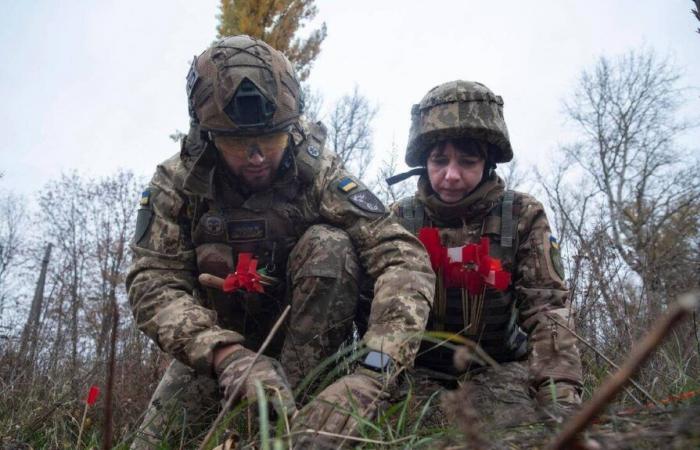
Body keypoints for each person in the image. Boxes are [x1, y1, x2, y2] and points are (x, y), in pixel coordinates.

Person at [126, 35, 434, 448]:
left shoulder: (319, 171)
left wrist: (374, 372)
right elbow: (152, 281)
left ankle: (303, 403)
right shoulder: (177, 183)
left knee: (331, 245)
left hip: (303, 345)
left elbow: (402, 258)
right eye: (238, 143)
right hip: (216, 348)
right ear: (208, 136)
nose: (256, 157)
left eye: (270, 140)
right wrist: (223, 355)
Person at [389, 80, 583, 426]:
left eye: (467, 161)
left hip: (500, 367)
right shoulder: (401, 220)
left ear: (488, 163)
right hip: (419, 371)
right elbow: (374, 310)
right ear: (423, 162)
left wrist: (560, 396)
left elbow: (547, 308)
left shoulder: (521, 215)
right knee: (412, 429)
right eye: (439, 160)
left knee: (509, 431)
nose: (451, 175)